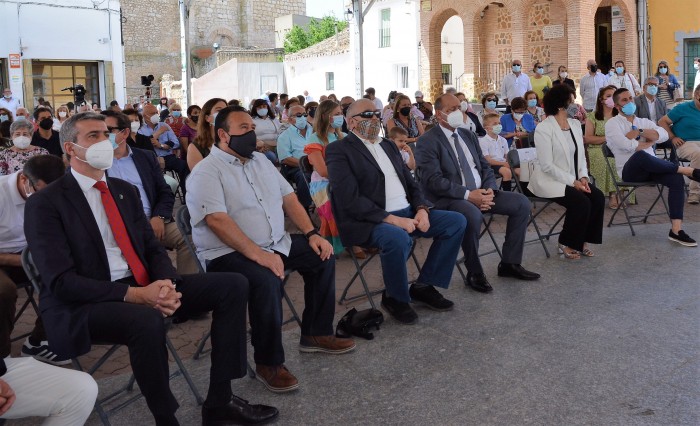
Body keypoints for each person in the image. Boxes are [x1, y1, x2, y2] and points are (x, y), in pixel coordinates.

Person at [25, 112, 279, 425]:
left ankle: (219, 401)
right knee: (145, 320)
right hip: (85, 303)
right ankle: (165, 418)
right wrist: (137, 295)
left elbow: (151, 248)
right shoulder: (46, 203)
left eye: (107, 133)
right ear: (70, 148)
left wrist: (165, 284)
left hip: (141, 285)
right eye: (93, 136)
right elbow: (61, 282)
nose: (105, 141)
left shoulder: (124, 191)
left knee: (233, 285)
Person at [186, 106, 355, 394]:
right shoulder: (206, 172)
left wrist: (312, 233)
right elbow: (216, 220)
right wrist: (258, 254)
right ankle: (269, 362)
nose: (252, 134)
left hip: (276, 243)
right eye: (244, 129)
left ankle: (316, 333)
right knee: (265, 279)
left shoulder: (260, 162)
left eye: (253, 127)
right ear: (223, 135)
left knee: (322, 254)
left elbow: (289, 198)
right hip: (227, 254)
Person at [326, 99, 466, 324]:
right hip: (370, 221)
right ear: (351, 122)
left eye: (376, 114)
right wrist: (392, 220)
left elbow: (412, 184)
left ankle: (424, 285)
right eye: (367, 114)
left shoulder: (388, 145)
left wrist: (421, 209)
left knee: (456, 221)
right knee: (397, 237)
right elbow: (348, 199)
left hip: (407, 212)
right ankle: (396, 298)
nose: (374, 118)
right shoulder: (339, 150)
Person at [416, 95, 538, 293]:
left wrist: (490, 189)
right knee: (471, 215)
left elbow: (484, 167)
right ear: (440, 115)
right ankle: (474, 272)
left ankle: (510, 263)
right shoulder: (427, 141)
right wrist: (468, 195)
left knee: (521, 203)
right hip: (451, 198)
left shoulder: (468, 135)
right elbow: (433, 181)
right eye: (453, 108)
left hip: (482, 192)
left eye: (460, 107)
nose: (459, 112)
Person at [103, 110, 199, 275]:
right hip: (118, 226)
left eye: (107, 132)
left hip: (154, 220)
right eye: (98, 133)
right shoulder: (96, 162)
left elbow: (165, 191)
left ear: (124, 132)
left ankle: (187, 287)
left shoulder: (144, 157)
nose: (102, 137)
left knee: (191, 238)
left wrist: (159, 217)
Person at [605, 88, 700, 246]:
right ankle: (687, 171)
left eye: (630, 98)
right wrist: (649, 142)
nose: (629, 102)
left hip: (653, 169)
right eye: (624, 100)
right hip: (630, 172)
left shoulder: (643, 122)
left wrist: (640, 132)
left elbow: (662, 135)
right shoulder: (612, 124)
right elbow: (626, 145)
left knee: (676, 179)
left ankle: (676, 230)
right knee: (642, 156)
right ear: (616, 106)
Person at [1, 155, 69, 365]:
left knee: (67, 275)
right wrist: (24, 260)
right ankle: (3, 357)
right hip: (6, 257)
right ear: (23, 179)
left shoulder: (56, 192)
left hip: (32, 253)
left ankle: (39, 341)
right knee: (3, 291)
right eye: (39, 190)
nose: (44, 197)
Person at [528, 84, 605, 259]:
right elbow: (547, 165)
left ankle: (583, 240)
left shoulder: (575, 124)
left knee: (597, 197)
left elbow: (581, 156)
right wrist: (573, 182)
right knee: (581, 202)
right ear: (560, 105)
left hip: (574, 178)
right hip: (549, 180)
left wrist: (583, 177)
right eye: (572, 101)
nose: (576, 105)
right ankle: (566, 242)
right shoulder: (544, 128)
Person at [304, 100, 348, 254]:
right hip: (323, 184)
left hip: (343, 180)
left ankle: (360, 235)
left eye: (341, 114)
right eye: (336, 114)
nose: (340, 117)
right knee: (340, 200)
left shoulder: (344, 137)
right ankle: (348, 241)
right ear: (325, 116)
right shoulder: (315, 139)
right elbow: (323, 171)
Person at [584, 85, 635, 209]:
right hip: (598, 149)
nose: (612, 98)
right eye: (608, 96)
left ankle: (621, 193)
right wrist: (609, 138)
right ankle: (613, 194)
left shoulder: (622, 116)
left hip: (619, 147)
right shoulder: (593, 116)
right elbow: (588, 138)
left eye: (614, 96)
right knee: (610, 161)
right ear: (601, 100)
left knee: (627, 159)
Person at [659, 84, 700, 205]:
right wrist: (672, 137)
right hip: (686, 142)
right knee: (699, 154)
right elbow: (662, 121)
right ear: (696, 96)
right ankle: (694, 193)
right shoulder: (682, 108)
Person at [138, 103, 189, 193]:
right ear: (146, 116)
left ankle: (186, 194)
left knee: (184, 166)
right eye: (153, 113)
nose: (156, 115)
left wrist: (162, 145)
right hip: (152, 159)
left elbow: (176, 143)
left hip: (168, 157)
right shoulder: (141, 130)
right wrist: (158, 133)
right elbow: (144, 144)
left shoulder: (164, 125)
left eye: (156, 112)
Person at [277, 104, 314, 210]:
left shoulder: (315, 131)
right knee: (303, 176)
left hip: (318, 163)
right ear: (290, 119)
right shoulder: (284, 136)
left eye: (304, 114)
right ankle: (304, 209)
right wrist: (307, 165)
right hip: (296, 167)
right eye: (298, 115)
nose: (302, 117)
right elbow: (286, 159)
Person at [478, 113, 515, 191]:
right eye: (495, 124)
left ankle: (524, 193)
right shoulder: (483, 141)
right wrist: (504, 164)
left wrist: (508, 162)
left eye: (499, 123)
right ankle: (507, 195)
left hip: (503, 163)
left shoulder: (503, 140)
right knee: (506, 172)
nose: (498, 125)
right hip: (491, 165)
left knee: (520, 170)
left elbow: (506, 155)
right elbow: (488, 160)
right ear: (486, 128)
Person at [188, 98, 227, 171]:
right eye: (219, 110)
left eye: (226, 110)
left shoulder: (232, 140)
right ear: (207, 118)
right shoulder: (195, 147)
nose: (224, 114)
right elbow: (199, 177)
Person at [251, 98, 281, 164]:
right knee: (271, 157)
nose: (262, 108)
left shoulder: (273, 119)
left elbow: (280, 132)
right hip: (261, 147)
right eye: (259, 107)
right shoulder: (252, 120)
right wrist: (258, 144)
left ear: (267, 107)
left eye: (264, 106)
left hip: (277, 145)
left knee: (283, 156)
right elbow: (250, 135)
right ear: (255, 109)